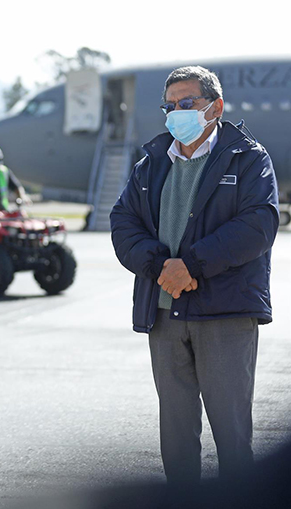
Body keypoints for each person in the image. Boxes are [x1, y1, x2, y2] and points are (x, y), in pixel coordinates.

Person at [110, 66, 279, 492]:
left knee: (231, 432)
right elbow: (123, 221)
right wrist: (159, 266)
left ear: (215, 107)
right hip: (165, 312)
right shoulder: (151, 161)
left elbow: (258, 224)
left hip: (224, 313)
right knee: (176, 433)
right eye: (170, 106)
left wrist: (192, 265)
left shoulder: (249, 158)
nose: (176, 113)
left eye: (187, 104)